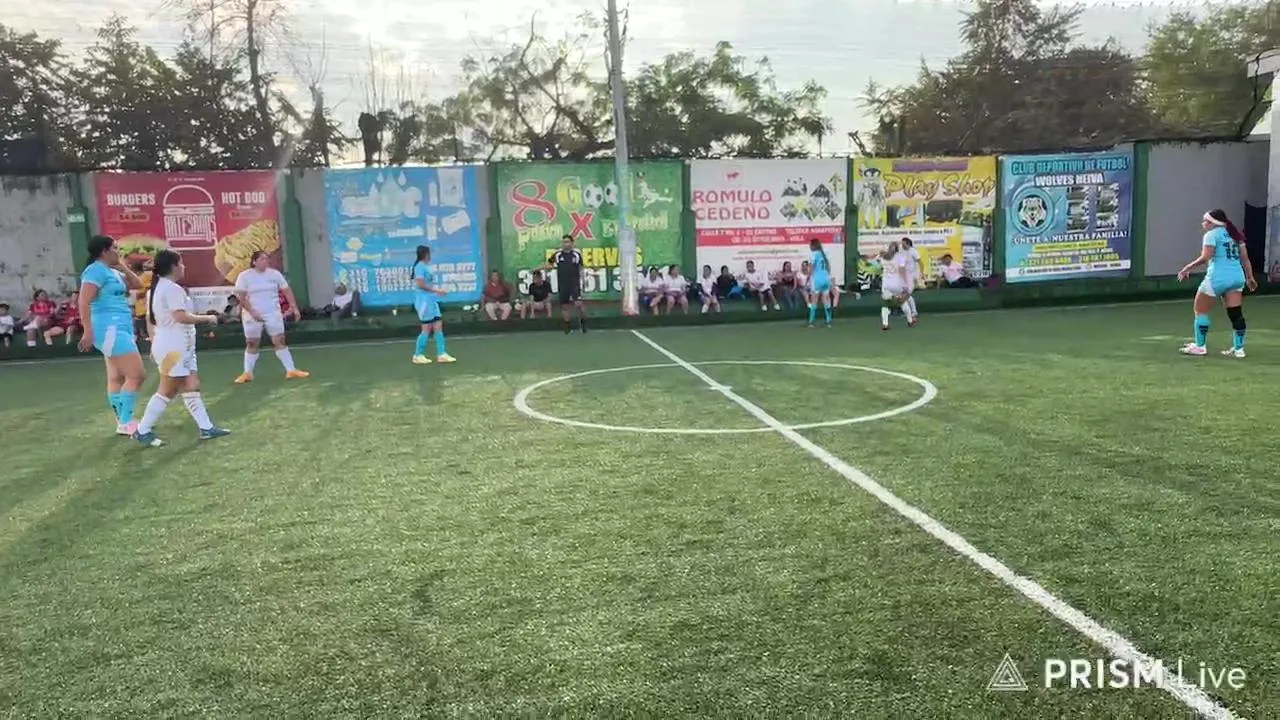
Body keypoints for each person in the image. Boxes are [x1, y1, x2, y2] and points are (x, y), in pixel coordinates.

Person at [133, 250, 231, 446]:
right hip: (174, 348)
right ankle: (143, 430)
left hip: (178, 347)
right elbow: (180, 317)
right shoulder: (171, 289)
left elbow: (151, 320)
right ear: (173, 266)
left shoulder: (158, 288)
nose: (184, 267)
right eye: (181, 263)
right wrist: (208, 318)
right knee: (167, 389)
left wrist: (153, 343)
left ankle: (206, 428)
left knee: (191, 385)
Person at [76, 235, 147, 435]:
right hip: (109, 329)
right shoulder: (94, 271)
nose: (118, 252)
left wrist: (122, 266)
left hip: (120, 327)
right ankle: (127, 421)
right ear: (104, 251)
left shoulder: (111, 271)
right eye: (115, 249)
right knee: (137, 375)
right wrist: (87, 331)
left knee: (116, 377)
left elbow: (137, 284)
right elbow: (84, 302)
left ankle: (122, 421)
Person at [1177, 209, 1258, 357]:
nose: (1203, 223)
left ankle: (1200, 346)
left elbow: (1205, 257)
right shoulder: (1235, 234)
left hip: (1218, 277)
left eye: (1205, 221)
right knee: (1236, 314)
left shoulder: (1211, 235)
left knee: (1200, 310)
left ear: (1212, 223)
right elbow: (1245, 258)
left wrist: (1186, 268)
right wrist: (1250, 277)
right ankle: (1239, 349)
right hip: (1237, 277)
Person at [233, 251, 308, 383]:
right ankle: (247, 373)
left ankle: (291, 370)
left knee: (279, 340)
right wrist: (252, 312)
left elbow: (287, 290)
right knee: (252, 343)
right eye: (262, 259)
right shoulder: (244, 276)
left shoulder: (275, 274)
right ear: (254, 261)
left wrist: (294, 308)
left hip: (273, 313)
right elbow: (241, 297)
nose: (265, 261)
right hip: (251, 314)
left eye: (266, 259)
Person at [410, 245, 456, 364]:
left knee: (438, 325)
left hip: (431, 301)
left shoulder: (426, 266)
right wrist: (437, 290)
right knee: (426, 328)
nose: (430, 255)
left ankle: (441, 354)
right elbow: (420, 284)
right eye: (429, 253)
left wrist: (437, 292)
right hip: (424, 302)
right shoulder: (419, 267)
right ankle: (418, 355)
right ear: (425, 254)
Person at [544, 235, 588, 333]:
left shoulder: (576, 254)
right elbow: (549, 264)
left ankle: (584, 324)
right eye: (564, 242)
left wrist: (583, 280)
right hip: (563, 284)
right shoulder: (558, 254)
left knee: (579, 304)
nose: (565, 244)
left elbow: (581, 268)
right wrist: (547, 268)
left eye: (567, 242)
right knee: (564, 306)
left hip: (574, 284)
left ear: (572, 243)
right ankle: (567, 327)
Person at [878, 241, 916, 331]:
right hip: (897, 283)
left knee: (886, 304)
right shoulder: (900, 257)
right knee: (902, 302)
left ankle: (885, 324)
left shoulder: (883, 257)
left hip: (886, 284)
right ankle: (910, 321)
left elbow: (878, 266)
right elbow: (902, 271)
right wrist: (906, 284)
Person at [807, 238, 834, 328]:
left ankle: (811, 322)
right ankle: (829, 321)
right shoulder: (825, 254)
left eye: (810, 244)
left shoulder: (813, 255)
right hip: (826, 278)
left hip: (817, 279)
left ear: (813, 245)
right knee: (826, 300)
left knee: (814, 300)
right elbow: (829, 268)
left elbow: (811, 268)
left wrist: (808, 279)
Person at [899, 237, 923, 321]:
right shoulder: (901, 251)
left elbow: (921, 263)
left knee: (907, 294)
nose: (902, 245)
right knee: (905, 294)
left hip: (912, 276)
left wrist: (921, 274)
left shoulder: (913, 251)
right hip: (903, 276)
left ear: (908, 243)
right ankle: (912, 312)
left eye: (903, 243)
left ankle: (912, 312)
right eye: (901, 243)